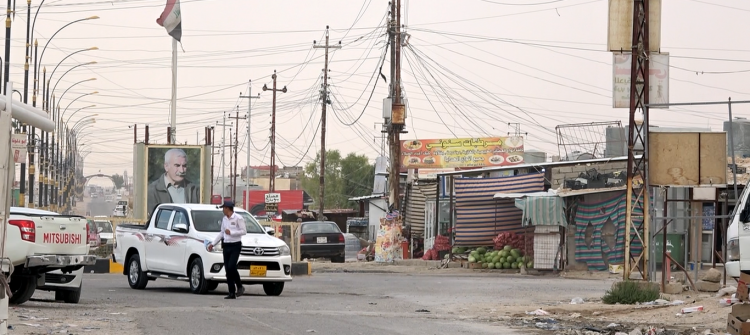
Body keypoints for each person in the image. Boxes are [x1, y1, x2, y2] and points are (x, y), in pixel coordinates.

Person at [207, 200, 247, 299]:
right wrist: (213, 244)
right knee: (228, 270)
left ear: (227, 208)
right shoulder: (224, 219)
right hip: (226, 245)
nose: (222, 210)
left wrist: (232, 232)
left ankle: (240, 286)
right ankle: (231, 292)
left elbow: (244, 231)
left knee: (231, 266)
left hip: (235, 245)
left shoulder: (238, 218)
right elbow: (221, 233)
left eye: (223, 208)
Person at [147, 148, 201, 217]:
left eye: (184, 166)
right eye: (177, 165)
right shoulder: (152, 191)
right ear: (166, 167)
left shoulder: (194, 190)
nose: (181, 170)